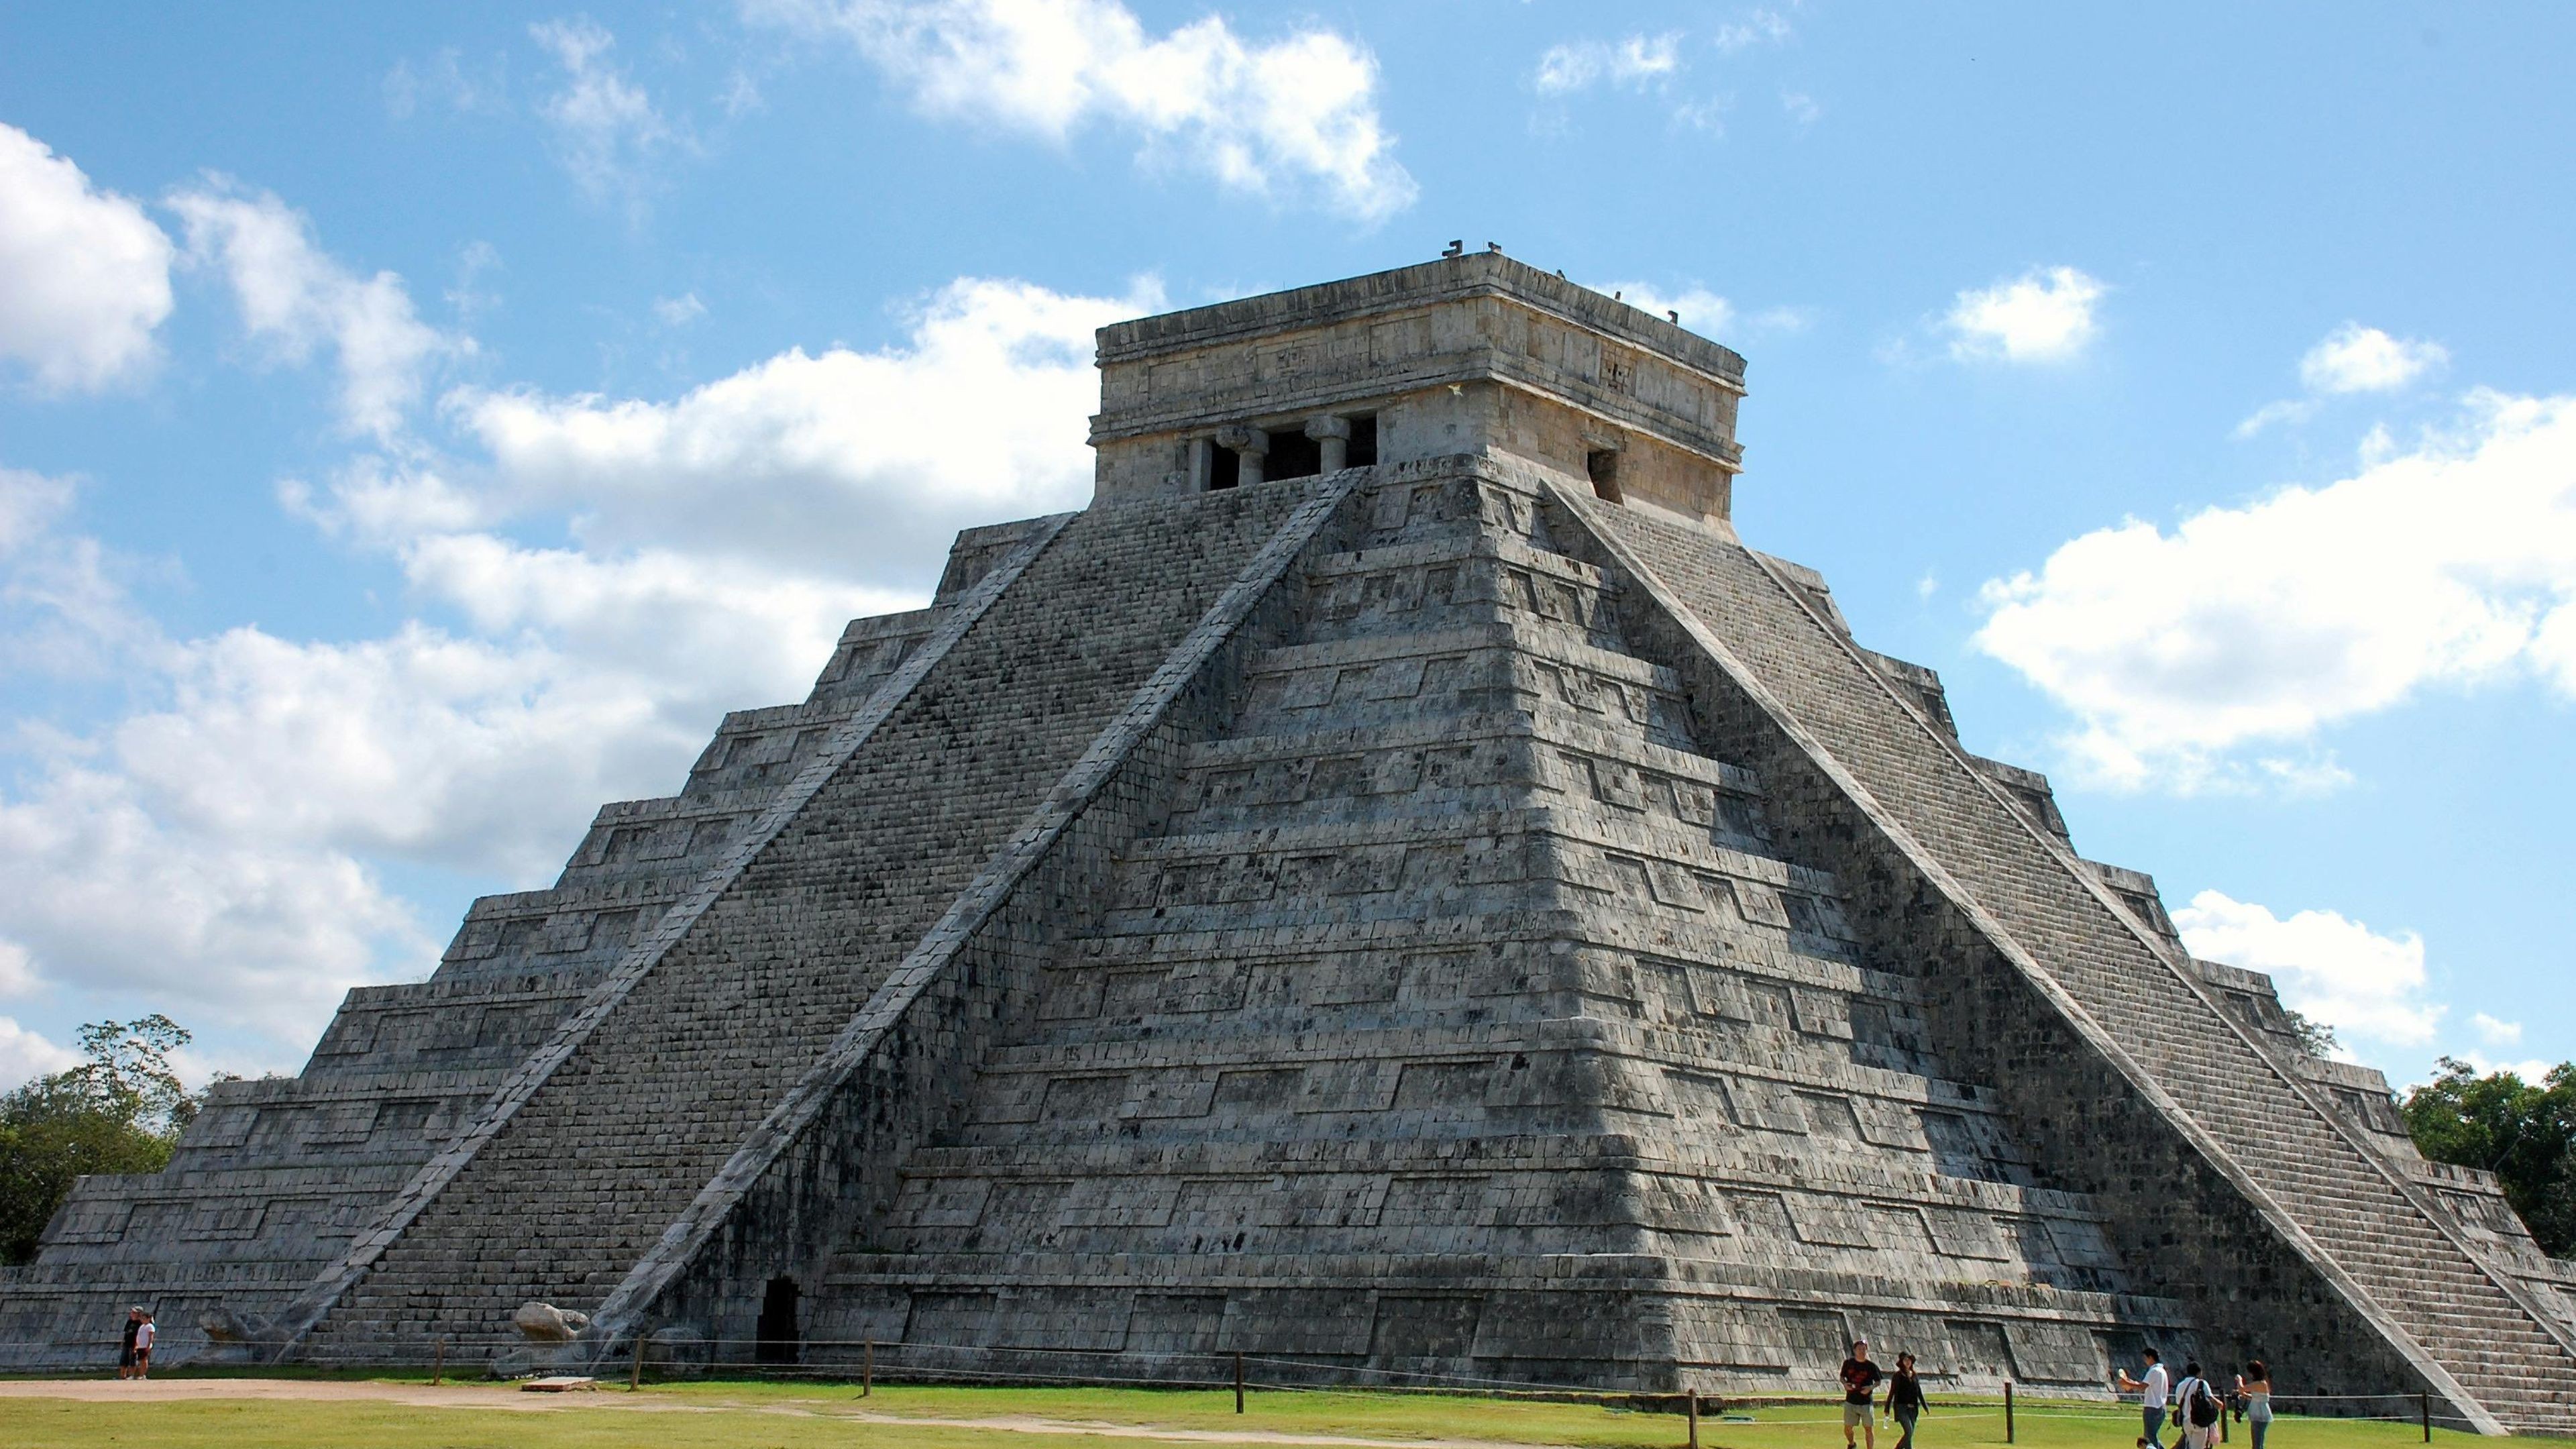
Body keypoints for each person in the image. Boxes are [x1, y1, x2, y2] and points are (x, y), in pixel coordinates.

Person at [2117, 1347, 2172, 1448]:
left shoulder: (2154, 1371)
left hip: (2152, 1408)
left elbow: (2142, 1387)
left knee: (2150, 1438)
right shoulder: (2161, 1371)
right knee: (2152, 1436)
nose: (2145, 1361)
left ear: (2150, 1357)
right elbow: (2144, 1385)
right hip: (2160, 1408)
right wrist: (2129, 1382)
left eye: (2146, 1358)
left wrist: (2126, 1383)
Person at [1841, 1338, 1884, 1449]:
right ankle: (1851, 1443)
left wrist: (1870, 1387)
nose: (1862, 1351)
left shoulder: (1871, 1366)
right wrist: (1845, 1384)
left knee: (1869, 1428)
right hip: (1851, 1401)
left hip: (1866, 1402)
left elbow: (1878, 1381)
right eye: (1859, 1349)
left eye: (1864, 1349)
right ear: (1855, 1350)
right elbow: (1842, 1377)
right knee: (1848, 1428)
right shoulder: (1848, 1363)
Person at [1887, 1351, 1930, 1449]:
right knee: (1909, 1431)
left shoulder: (1914, 1375)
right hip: (1901, 1408)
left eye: (1909, 1360)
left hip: (1913, 1409)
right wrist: (1887, 1408)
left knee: (1909, 1434)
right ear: (1902, 1362)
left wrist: (1925, 1406)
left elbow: (1919, 1392)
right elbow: (1892, 1392)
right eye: (1905, 1360)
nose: (1908, 1362)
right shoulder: (1897, 1376)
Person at [2175, 1360, 2220, 1449]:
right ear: (2199, 1372)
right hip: (2199, 1421)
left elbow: (2178, 1403)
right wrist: (2221, 1404)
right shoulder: (2201, 1384)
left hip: (2185, 1421)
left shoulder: (2180, 1386)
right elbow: (2211, 1400)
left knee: (2190, 1445)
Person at [2237, 1361, 2273, 1449]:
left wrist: (2239, 1380)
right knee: (2257, 1443)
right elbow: (2256, 1397)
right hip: (2258, 1414)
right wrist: (2245, 1395)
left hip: (2260, 1416)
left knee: (2257, 1444)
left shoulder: (2260, 1384)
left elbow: (2241, 1389)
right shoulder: (2261, 1384)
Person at [117, 1307, 142, 1379]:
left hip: (134, 1343)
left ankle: (131, 1375)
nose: (132, 1314)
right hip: (127, 1343)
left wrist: (136, 1346)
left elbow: (139, 1335)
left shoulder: (140, 1323)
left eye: (134, 1313)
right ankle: (122, 1376)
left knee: (133, 1360)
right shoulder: (130, 1322)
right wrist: (123, 1341)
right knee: (123, 1360)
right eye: (132, 1312)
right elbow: (126, 1332)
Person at [131, 1310, 156, 1380]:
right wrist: (136, 1345)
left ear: (148, 1319)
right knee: (140, 1361)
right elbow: (138, 1337)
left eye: (144, 1318)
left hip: (145, 1346)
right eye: (142, 1318)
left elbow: (151, 1336)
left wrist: (149, 1345)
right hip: (140, 1346)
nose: (142, 1320)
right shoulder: (141, 1326)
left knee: (144, 1360)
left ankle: (143, 1374)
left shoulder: (150, 1326)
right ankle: (140, 1374)